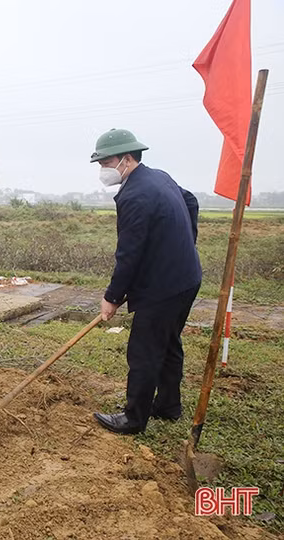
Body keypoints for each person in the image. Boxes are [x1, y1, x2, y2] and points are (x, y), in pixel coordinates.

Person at [89, 128, 202, 435]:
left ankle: (133, 418)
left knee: (144, 350)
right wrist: (185, 244)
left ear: (126, 159)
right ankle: (168, 406)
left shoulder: (135, 195)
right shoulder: (158, 177)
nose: (103, 170)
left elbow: (129, 255)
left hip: (164, 286)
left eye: (105, 163)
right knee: (168, 342)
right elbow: (190, 201)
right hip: (187, 276)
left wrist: (112, 297)